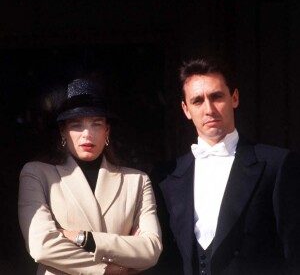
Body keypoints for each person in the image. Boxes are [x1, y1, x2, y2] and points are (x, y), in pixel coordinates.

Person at [155, 57, 300, 275]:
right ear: (186, 109)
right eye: (197, 101)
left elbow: (293, 255)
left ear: (234, 98)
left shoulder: (277, 165)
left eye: (217, 97)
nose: (209, 109)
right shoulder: (167, 177)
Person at [18, 78, 162, 275]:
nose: (87, 134)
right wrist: (111, 269)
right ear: (63, 131)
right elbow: (41, 246)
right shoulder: (37, 174)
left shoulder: (137, 181)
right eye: (76, 125)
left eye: (96, 124)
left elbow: (151, 250)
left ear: (107, 130)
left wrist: (81, 238)